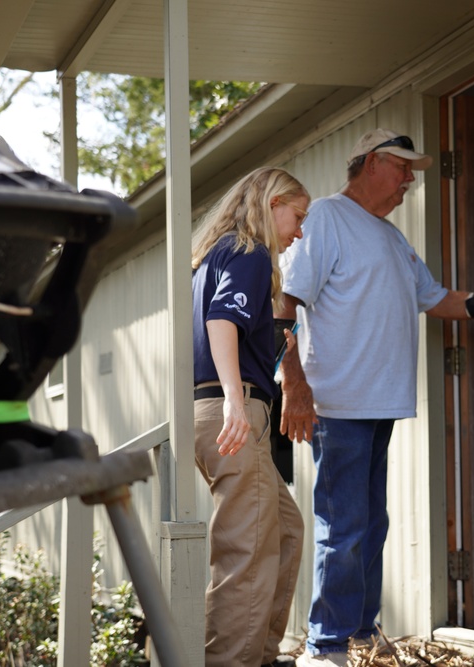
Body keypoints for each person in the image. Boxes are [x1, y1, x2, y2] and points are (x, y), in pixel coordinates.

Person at [278, 129, 474, 667]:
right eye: (403, 168)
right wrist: (294, 381)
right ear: (373, 162)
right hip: (337, 405)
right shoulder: (329, 219)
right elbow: (286, 301)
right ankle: (325, 646)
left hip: (378, 404)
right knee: (345, 526)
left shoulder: (391, 238)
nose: (410, 179)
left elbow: (437, 299)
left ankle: (358, 638)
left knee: (370, 524)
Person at [191, 166, 309, 667]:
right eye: (297, 216)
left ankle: (258, 654)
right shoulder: (249, 251)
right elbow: (222, 319)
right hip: (230, 410)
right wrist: (237, 401)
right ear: (273, 203)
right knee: (247, 551)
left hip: (215, 409)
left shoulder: (219, 254)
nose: (298, 231)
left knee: (284, 530)